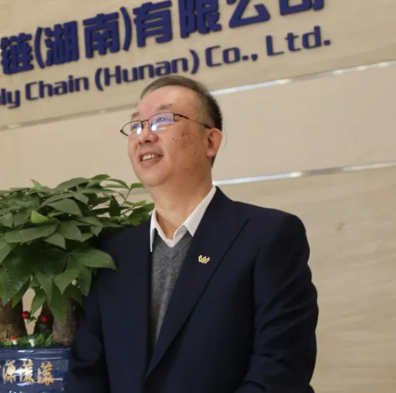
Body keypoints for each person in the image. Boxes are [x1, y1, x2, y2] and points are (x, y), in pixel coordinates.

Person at [67, 75, 318, 392]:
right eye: (136, 125)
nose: (144, 135)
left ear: (210, 142)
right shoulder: (114, 253)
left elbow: (281, 368)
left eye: (162, 120)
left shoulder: (267, 236)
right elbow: (87, 373)